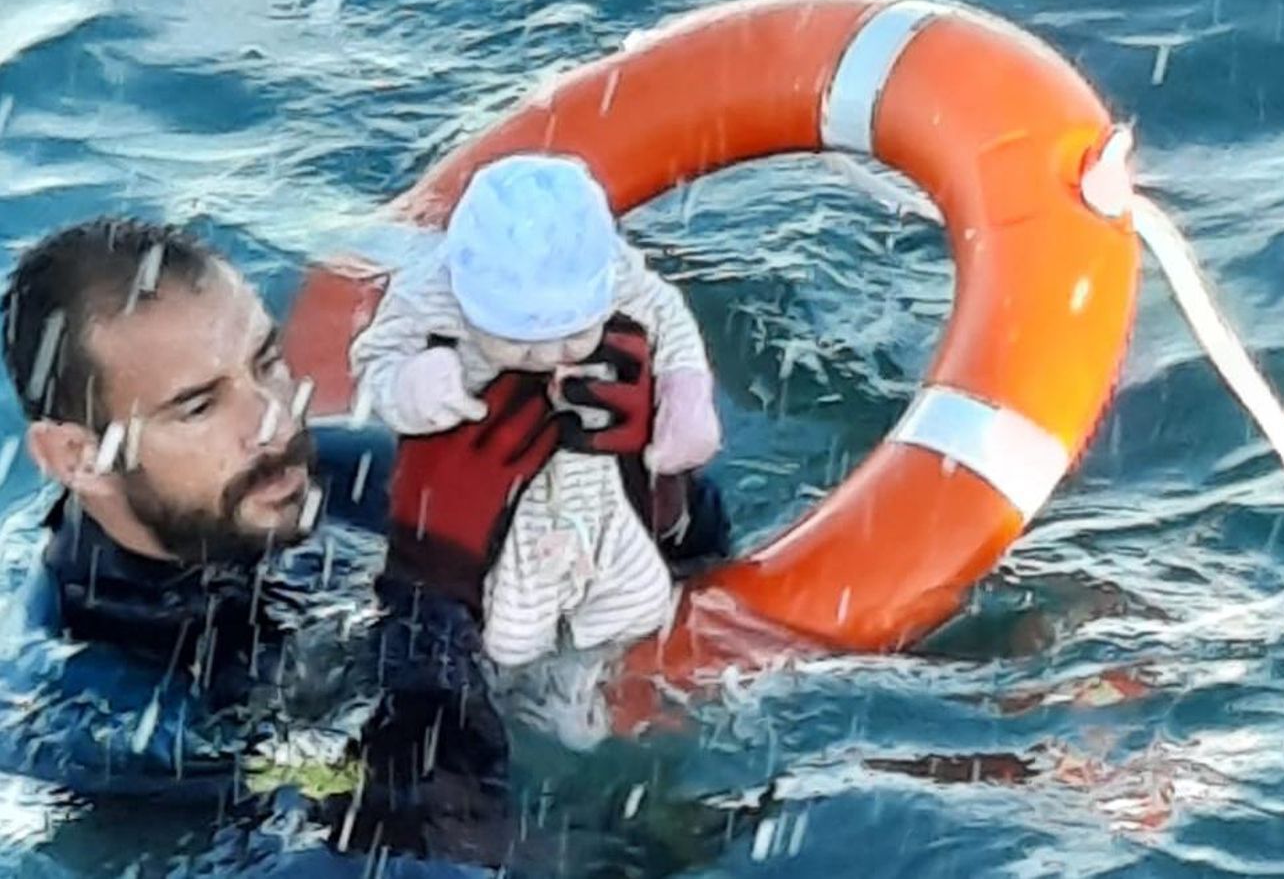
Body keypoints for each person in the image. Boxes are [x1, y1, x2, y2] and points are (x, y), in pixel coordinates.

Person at [0, 217, 748, 877]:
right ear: (76, 457)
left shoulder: (337, 478)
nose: (273, 423)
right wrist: (435, 581)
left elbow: (682, 579)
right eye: (197, 407)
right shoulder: (96, 715)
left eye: (265, 363)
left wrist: (646, 488)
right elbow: (413, 835)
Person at [350, 154, 722, 750]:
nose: (552, 356)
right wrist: (413, 382)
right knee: (479, 646)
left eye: (574, 335)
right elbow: (378, 355)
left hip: (596, 490)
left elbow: (671, 326)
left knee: (630, 592)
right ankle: (500, 711)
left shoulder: (620, 276)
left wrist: (687, 400)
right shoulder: (430, 293)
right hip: (478, 525)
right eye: (521, 341)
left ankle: (594, 679)